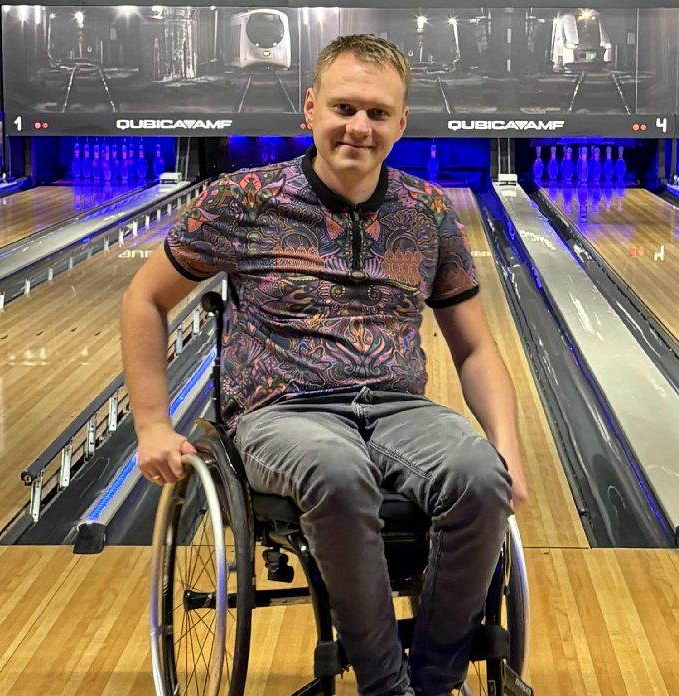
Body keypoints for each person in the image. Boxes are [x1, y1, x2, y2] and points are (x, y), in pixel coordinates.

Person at [121, 34, 528, 696]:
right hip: (281, 413)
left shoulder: (429, 213)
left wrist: (506, 447)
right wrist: (151, 425)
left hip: (399, 409)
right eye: (344, 108)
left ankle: (433, 680)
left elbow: (475, 347)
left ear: (401, 123)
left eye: (377, 113)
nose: (358, 127)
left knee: (482, 478)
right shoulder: (243, 200)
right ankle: (384, 687)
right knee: (336, 472)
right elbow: (145, 298)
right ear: (310, 108)